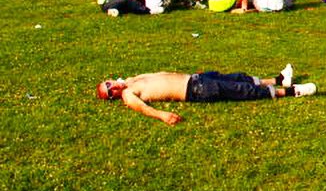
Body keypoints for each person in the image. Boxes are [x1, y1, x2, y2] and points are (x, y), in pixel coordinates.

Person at [95, 64, 314, 125]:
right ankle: (292, 91)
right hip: (195, 90)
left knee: (237, 77)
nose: (113, 88)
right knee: (242, 90)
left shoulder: (130, 81)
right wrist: (162, 115)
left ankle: (277, 80)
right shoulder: (128, 95)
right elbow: (143, 108)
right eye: (110, 93)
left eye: (109, 84)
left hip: (195, 79)